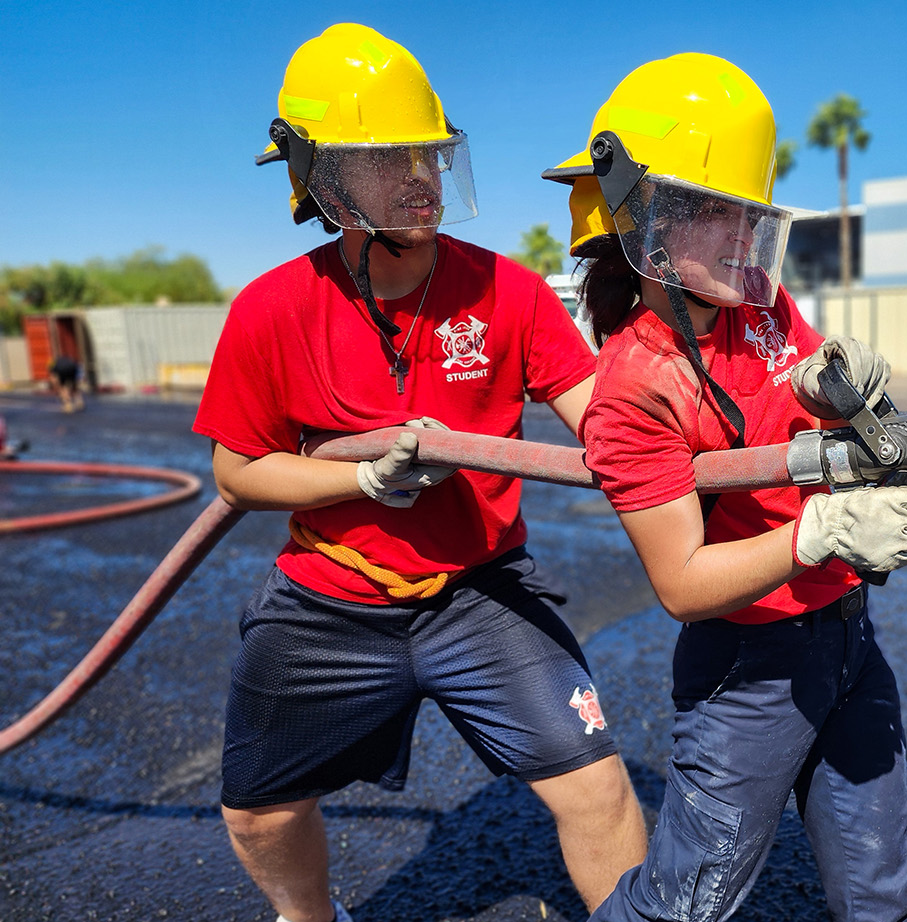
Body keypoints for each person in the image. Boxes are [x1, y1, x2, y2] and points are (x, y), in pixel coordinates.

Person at [193, 24, 647, 922]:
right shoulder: (271, 309)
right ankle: (309, 917)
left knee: (597, 789)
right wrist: (359, 482)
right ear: (321, 177)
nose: (421, 177)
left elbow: (604, 417)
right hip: (332, 594)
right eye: (389, 157)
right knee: (256, 814)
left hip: (480, 590)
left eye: (431, 154)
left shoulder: (506, 292)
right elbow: (237, 473)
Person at [543, 53, 907, 922]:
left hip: (846, 639)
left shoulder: (757, 301)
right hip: (749, 671)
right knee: (686, 906)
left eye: (745, 211)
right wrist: (820, 536)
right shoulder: (633, 385)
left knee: (890, 898)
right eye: (707, 208)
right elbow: (683, 583)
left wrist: (818, 383)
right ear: (636, 214)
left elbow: (782, 385)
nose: (737, 233)